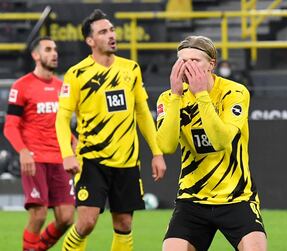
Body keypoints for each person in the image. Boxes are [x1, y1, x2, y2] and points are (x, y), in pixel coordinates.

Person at [55, 9, 167, 251]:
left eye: (112, 30)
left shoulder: (131, 69)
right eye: (103, 31)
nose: (111, 35)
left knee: (124, 223)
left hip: (127, 161)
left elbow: (142, 113)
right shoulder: (76, 74)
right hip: (91, 160)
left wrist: (157, 152)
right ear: (90, 41)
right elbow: (62, 117)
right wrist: (67, 153)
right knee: (86, 222)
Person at [156, 35, 267, 251]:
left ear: (211, 64)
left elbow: (220, 141)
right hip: (192, 198)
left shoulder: (235, 92)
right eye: (182, 61)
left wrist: (201, 96)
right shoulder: (168, 98)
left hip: (236, 196)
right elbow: (167, 146)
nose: (187, 67)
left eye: (195, 61)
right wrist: (176, 96)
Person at [3, 36, 75, 251]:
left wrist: (73, 142)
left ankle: (36, 249)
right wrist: (23, 152)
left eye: (55, 50)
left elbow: (61, 124)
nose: (54, 54)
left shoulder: (63, 88)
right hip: (35, 159)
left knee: (67, 218)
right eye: (48, 49)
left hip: (60, 159)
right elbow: (10, 126)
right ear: (36, 55)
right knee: (39, 214)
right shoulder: (21, 86)